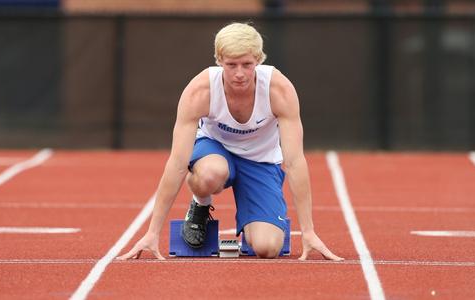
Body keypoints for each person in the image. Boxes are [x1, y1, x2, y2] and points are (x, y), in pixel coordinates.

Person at [117, 22, 343, 261]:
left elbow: (295, 162)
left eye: (247, 65)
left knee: (267, 248)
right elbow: (177, 163)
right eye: (231, 65)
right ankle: (200, 205)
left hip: (260, 160)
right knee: (211, 173)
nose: (239, 73)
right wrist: (152, 232)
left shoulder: (279, 90)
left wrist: (308, 231)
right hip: (214, 149)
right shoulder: (200, 91)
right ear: (219, 60)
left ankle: (256, 224)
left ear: (258, 59)